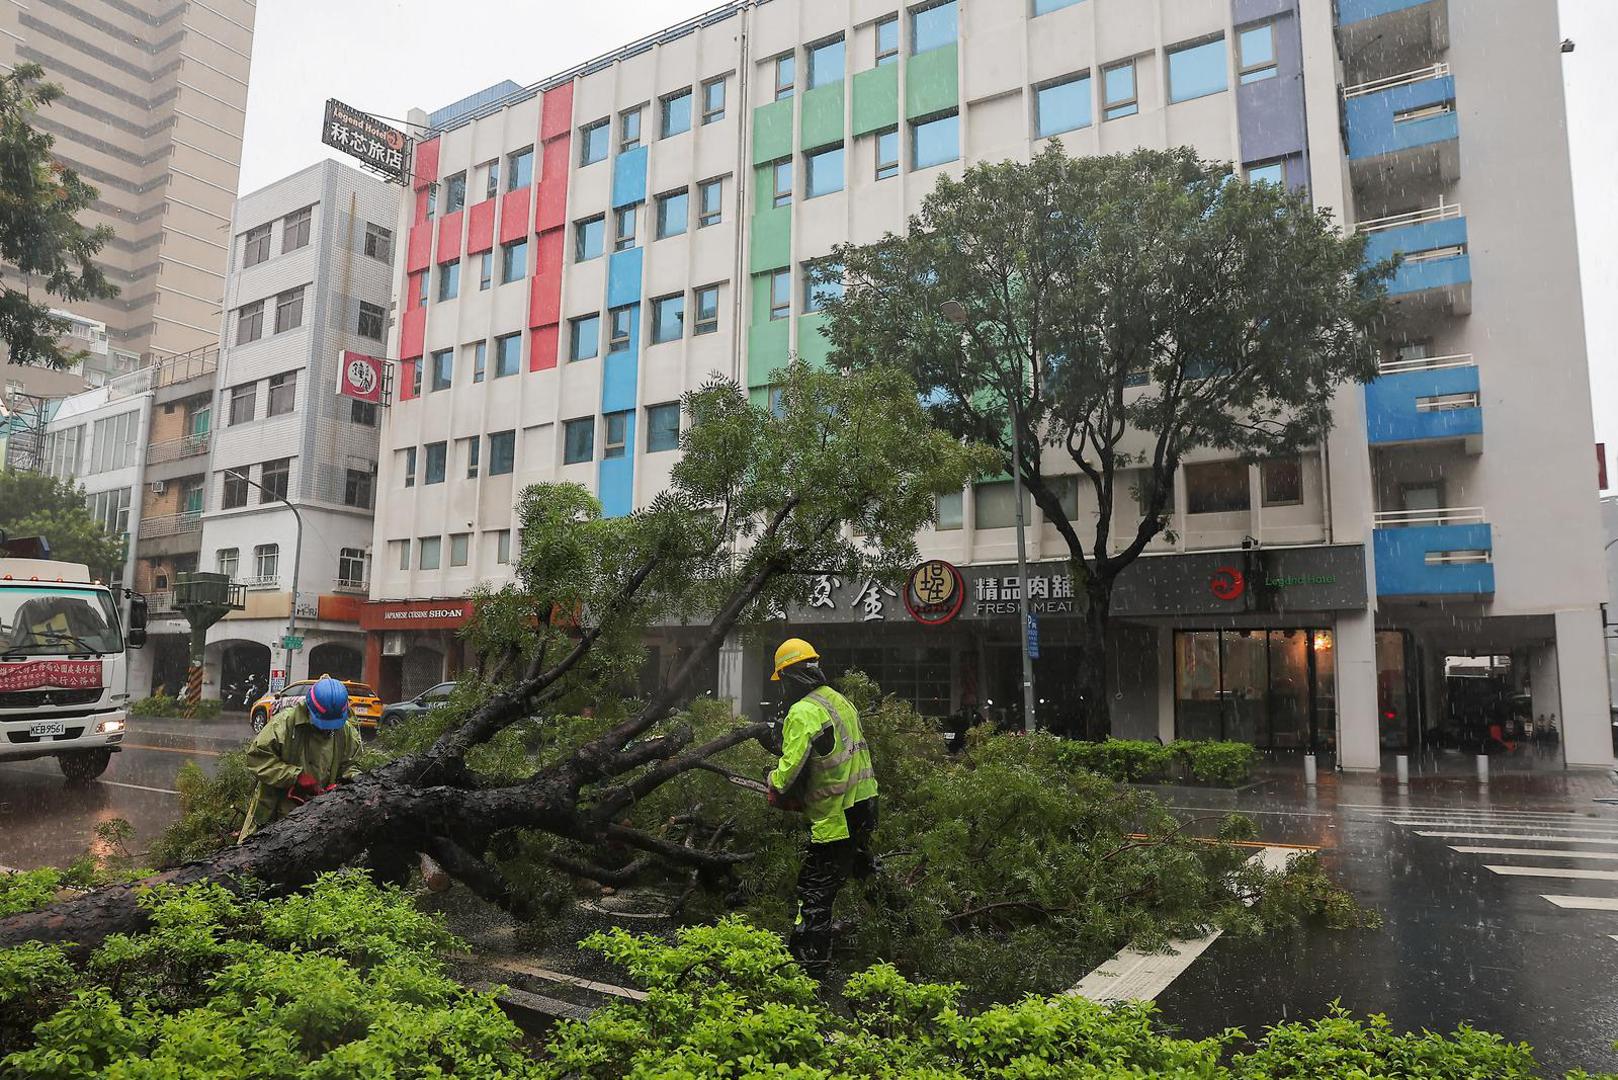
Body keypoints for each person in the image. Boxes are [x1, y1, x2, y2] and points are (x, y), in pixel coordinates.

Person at [763, 637, 879, 977]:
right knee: (862, 869)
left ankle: (808, 969)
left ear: (788, 677)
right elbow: (833, 757)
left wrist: (772, 780)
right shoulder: (838, 701)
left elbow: (787, 776)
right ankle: (902, 920)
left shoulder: (803, 712)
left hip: (836, 819)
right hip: (865, 807)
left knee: (813, 893)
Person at [238, 675, 362, 841]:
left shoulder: (345, 731)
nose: (326, 731)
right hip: (277, 810)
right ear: (309, 709)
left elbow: (350, 765)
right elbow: (257, 759)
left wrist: (346, 783)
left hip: (320, 814)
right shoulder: (284, 724)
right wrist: (295, 776)